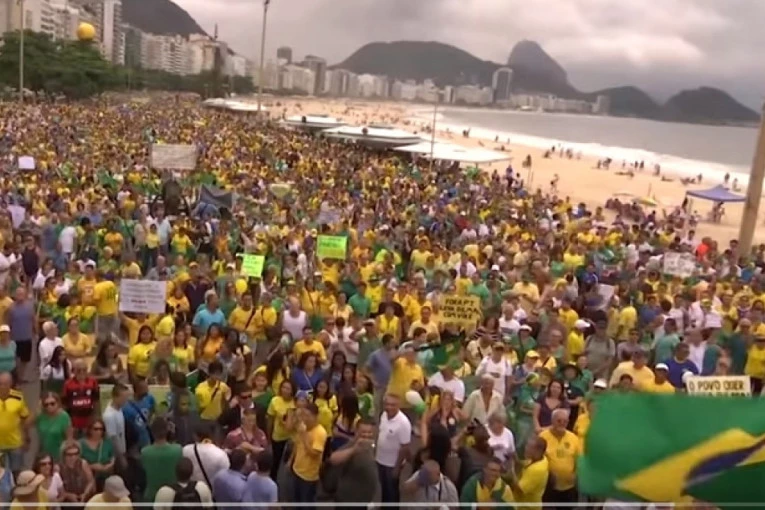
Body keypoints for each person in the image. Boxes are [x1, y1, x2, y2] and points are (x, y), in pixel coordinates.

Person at [328, 417, 380, 505]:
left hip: (364, 499)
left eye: (369, 432)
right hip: (349, 500)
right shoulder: (352, 445)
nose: (366, 435)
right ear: (356, 432)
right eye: (363, 432)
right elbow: (333, 459)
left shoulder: (371, 445)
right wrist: (353, 450)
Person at [539, 408, 581, 505]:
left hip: (569, 487)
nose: (562, 423)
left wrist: (576, 474)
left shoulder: (574, 438)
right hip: (548, 486)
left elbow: (578, 459)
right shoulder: (543, 437)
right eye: (559, 421)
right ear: (552, 421)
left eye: (565, 421)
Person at [375, 393, 411, 504]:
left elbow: (405, 447)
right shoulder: (383, 415)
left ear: (399, 405)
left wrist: (397, 468)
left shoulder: (403, 423)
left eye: (393, 405)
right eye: (387, 404)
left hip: (392, 464)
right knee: (384, 488)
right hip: (380, 460)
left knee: (392, 492)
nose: (389, 407)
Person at [290, 402, 327, 503]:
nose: (305, 418)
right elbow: (297, 444)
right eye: (303, 415)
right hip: (297, 470)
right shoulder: (303, 427)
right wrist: (291, 460)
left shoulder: (320, 432)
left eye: (308, 416)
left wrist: (304, 435)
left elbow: (314, 454)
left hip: (308, 477)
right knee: (296, 501)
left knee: (306, 502)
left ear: (316, 416)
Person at [141, 417, 183, 502]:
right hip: (173, 496)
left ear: (152, 432)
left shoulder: (145, 452)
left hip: (152, 497)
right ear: (167, 430)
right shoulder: (178, 450)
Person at [0, 371, 31, 474]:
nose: (2, 386)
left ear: (10, 384)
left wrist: (26, 438)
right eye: (0, 383)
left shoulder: (18, 397)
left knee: (16, 472)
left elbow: (24, 418)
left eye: (5, 384)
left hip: (15, 442)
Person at [62, 359, 100, 437]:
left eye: (84, 369)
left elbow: (96, 400)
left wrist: (96, 417)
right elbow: (64, 404)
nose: (82, 372)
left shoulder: (93, 382)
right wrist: (68, 422)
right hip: (74, 420)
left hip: (89, 419)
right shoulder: (68, 384)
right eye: (79, 370)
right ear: (73, 371)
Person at [512, 435, 550, 508]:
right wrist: (516, 460)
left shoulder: (537, 469)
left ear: (538, 451)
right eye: (527, 445)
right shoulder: (541, 459)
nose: (526, 449)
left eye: (530, 447)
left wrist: (511, 472)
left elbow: (519, 490)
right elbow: (525, 465)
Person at [35, 392, 73, 461]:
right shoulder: (41, 416)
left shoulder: (64, 416)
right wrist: (38, 409)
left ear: (58, 403)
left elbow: (69, 439)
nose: (49, 406)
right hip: (44, 454)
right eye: (46, 404)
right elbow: (26, 425)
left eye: (52, 403)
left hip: (59, 455)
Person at [79, 419, 115, 492]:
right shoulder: (80, 444)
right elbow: (77, 462)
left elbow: (112, 458)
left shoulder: (107, 443)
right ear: (90, 430)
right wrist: (91, 466)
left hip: (104, 478)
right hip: (86, 479)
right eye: (96, 429)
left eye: (101, 429)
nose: (99, 431)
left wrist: (106, 467)